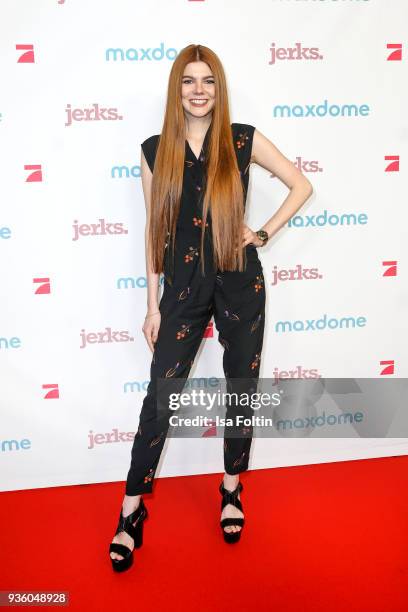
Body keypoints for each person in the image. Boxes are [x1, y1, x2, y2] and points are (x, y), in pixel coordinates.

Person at [109, 44, 313, 571]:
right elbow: (156, 230)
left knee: (241, 390)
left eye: (208, 81)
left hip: (239, 279)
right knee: (161, 396)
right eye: (188, 81)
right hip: (181, 288)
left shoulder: (241, 139)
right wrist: (151, 305)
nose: (198, 91)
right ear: (176, 90)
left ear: (218, 90)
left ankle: (230, 487)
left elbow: (301, 184)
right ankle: (132, 509)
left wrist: (262, 232)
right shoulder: (155, 149)